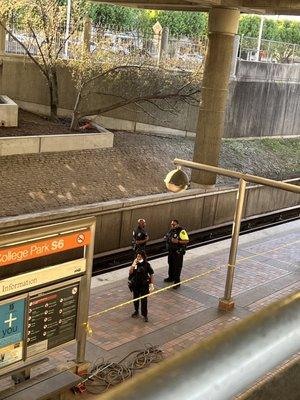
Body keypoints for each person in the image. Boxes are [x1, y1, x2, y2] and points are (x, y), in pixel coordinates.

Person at [128, 250, 154, 322]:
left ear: (143, 256)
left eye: (139, 256)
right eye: (137, 256)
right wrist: (133, 265)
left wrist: (151, 284)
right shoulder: (135, 263)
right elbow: (130, 272)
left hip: (144, 285)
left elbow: (151, 274)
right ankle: (136, 311)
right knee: (135, 298)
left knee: (144, 301)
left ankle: (145, 315)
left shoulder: (146, 264)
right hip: (136, 284)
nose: (138, 257)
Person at [164, 219, 189, 288]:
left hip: (178, 252)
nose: (172, 226)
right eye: (171, 224)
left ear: (178, 224)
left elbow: (186, 241)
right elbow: (167, 236)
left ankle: (177, 282)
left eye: (174, 225)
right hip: (171, 251)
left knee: (177, 267)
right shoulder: (171, 230)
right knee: (171, 264)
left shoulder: (182, 231)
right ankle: (171, 277)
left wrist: (178, 241)